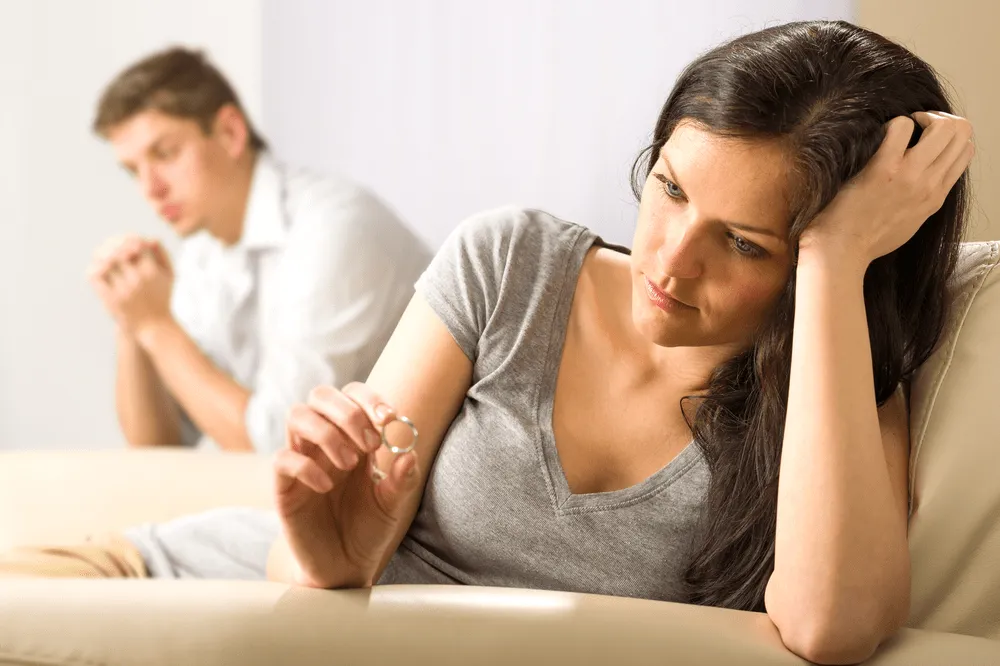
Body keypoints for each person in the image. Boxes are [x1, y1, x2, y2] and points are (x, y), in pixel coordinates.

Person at [0, 21, 974, 665]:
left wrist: (834, 260)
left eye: (745, 243)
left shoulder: (830, 392)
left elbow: (830, 627)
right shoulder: (512, 264)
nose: (670, 261)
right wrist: (328, 561)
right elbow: (311, 580)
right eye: (670, 188)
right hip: (204, 587)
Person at [85, 47, 431, 452]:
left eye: (165, 154)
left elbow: (280, 446)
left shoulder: (332, 228)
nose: (150, 189)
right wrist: (132, 321)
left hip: (415, 479)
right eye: (133, 171)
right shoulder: (202, 252)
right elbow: (159, 446)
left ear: (230, 132)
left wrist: (156, 326)